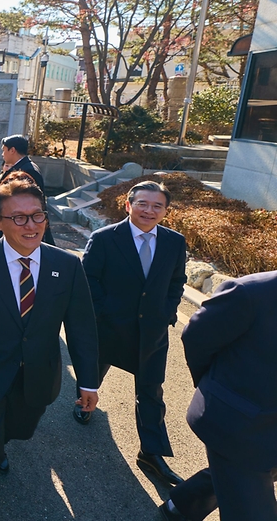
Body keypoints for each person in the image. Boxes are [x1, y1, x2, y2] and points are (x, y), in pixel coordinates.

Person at [0, 176, 99, 521]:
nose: (31, 225)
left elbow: (82, 328)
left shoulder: (67, 265)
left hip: (38, 374)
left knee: (20, 429)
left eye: (37, 215)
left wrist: (88, 382)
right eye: (19, 218)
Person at [76, 181, 187, 487]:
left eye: (157, 206)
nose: (149, 211)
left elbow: (177, 280)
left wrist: (167, 312)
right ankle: (85, 402)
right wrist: (103, 313)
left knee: (151, 391)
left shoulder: (174, 242)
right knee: (95, 370)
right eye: (142, 204)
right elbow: (88, 280)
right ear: (128, 205)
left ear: (165, 211)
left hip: (151, 330)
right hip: (110, 327)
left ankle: (151, 453)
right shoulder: (105, 238)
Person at [159, 271, 277, 521]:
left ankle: (181, 505)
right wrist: (215, 388)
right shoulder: (250, 293)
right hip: (241, 427)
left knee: (238, 476)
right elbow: (197, 337)